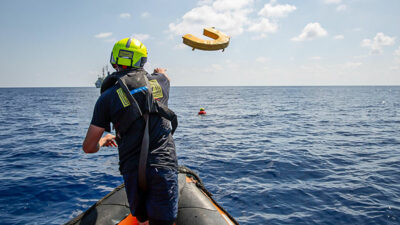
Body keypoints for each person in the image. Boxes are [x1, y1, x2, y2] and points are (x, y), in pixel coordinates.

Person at [82, 37, 178, 225]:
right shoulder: (161, 83)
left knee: (142, 220)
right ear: (142, 61)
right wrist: (159, 72)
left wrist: (103, 140)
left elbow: (88, 147)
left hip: (133, 170)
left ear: (114, 60)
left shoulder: (107, 98)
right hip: (163, 165)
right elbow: (166, 77)